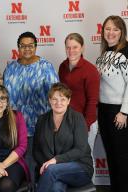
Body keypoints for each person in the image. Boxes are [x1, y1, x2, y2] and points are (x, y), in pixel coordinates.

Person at [3, 31, 58, 182]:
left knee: (40, 160)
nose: (27, 49)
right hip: (16, 124)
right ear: (18, 48)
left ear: (36, 47)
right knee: (21, 161)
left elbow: (56, 96)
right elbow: (4, 97)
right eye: (23, 46)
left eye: (31, 45)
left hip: (41, 124)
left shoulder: (46, 67)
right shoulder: (10, 68)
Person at [33, 82, 93, 192]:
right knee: (56, 187)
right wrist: (45, 164)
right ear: (50, 100)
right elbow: (36, 150)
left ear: (68, 101)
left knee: (51, 170)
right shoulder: (42, 119)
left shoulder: (77, 118)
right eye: (54, 99)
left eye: (63, 99)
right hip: (52, 171)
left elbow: (80, 149)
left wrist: (55, 161)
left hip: (80, 167)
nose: (58, 103)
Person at [58, 33, 100, 181]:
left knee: (85, 159)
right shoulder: (62, 67)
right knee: (69, 159)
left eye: (75, 47)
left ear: (82, 48)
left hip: (85, 122)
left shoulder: (90, 70)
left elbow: (92, 101)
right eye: (68, 47)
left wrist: (85, 126)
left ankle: (91, 187)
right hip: (67, 122)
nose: (71, 51)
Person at [96, 15, 128, 192]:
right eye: (107, 28)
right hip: (104, 111)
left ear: (122, 32)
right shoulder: (103, 55)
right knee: (111, 156)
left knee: (122, 158)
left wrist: (124, 112)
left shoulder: (126, 52)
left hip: (119, 112)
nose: (111, 32)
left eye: (116, 29)